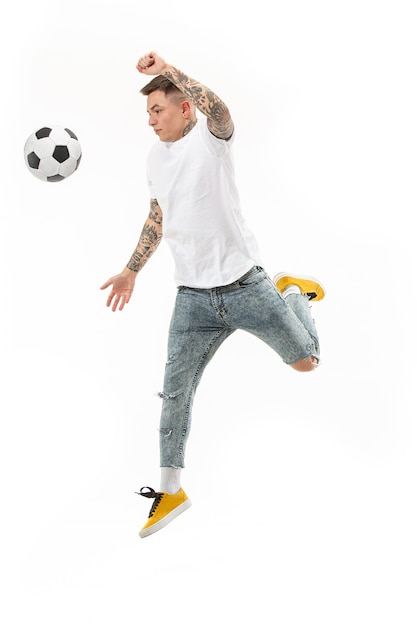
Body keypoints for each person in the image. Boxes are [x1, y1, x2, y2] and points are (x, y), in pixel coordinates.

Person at [100, 51, 325, 538]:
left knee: (307, 361)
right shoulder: (153, 159)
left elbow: (219, 109)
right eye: (147, 114)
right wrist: (130, 270)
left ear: (184, 108)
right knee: (175, 392)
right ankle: (170, 488)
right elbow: (157, 218)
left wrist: (172, 70)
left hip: (245, 284)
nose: (151, 120)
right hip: (192, 299)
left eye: (157, 109)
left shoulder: (210, 139)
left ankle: (293, 293)